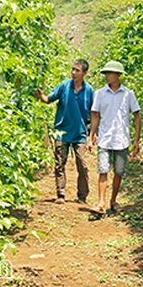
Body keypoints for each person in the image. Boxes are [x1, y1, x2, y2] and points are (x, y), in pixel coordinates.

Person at [35, 59, 95, 204]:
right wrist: (40, 96)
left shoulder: (89, 91)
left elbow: (94, 113)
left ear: (85, 73)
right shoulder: (63, 86)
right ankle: (61, 194)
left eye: (77, 70)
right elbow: (49, 99)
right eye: (72, 69)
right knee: (60, 163)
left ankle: (82, 196)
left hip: (80, 133)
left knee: (82, 164)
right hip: (62, 131)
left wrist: (92, 135)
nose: (73, 73)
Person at [88, 60, 141, 214]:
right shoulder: (99, 94)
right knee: (102, 170)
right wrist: (92, 136)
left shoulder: (128, 94)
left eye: (109, 73)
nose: (107, 76)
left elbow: (137, 116)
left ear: (118, 75)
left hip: (122, 139)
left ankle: (113, 201)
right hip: (105, 138)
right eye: (105, 73)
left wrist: (136, 140)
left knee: (119, 172)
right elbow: (95, 116)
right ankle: (101, 203)